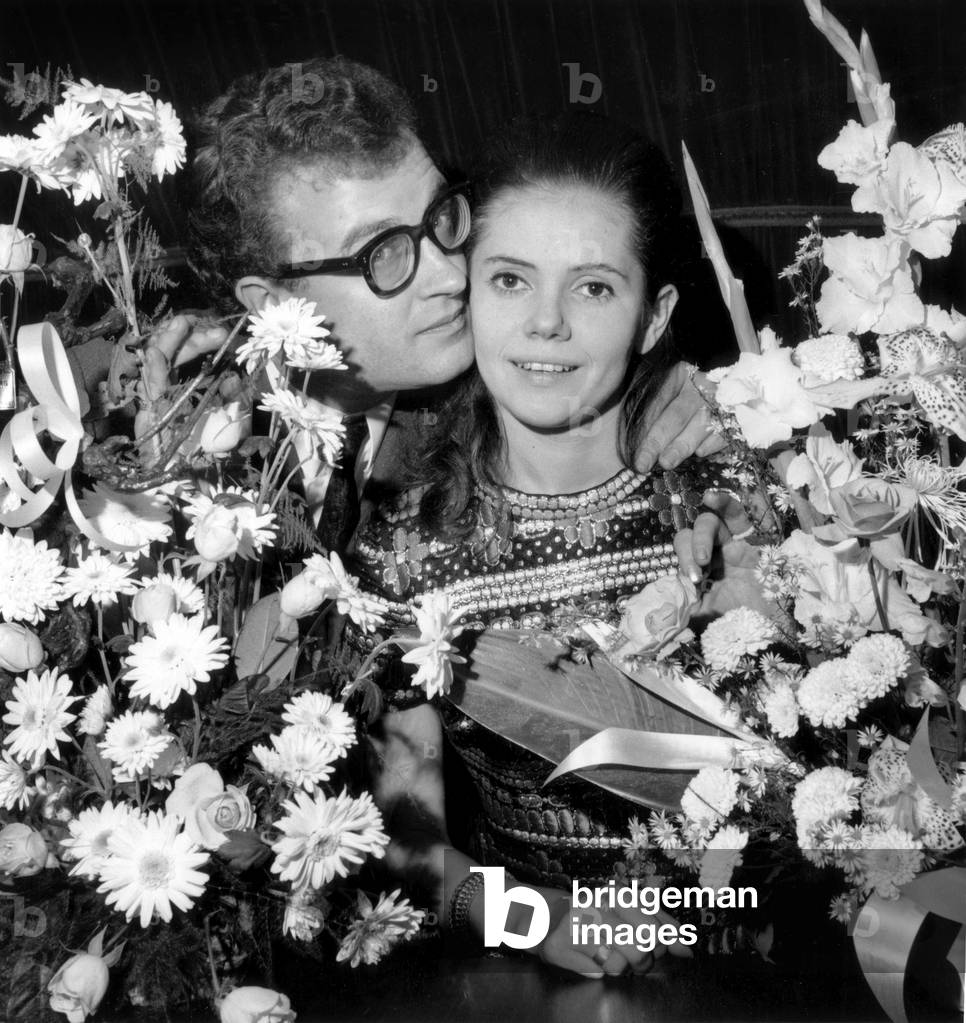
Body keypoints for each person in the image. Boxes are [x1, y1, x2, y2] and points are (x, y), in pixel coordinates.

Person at [65, 55, 739, 566]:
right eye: (383, 252)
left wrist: (686, 398)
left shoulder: (508, 388)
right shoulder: (132, 413)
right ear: (274, 305)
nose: (452, 273)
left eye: (444, 216)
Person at [343, 112, 740, 979]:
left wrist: (697, 905)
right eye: (512, 279)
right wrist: (533, 921)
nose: (546, 324)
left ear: (652, 314)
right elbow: (405, 852)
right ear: (468, 293)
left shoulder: (729, 499)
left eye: (594, 287)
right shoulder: (403, 548)